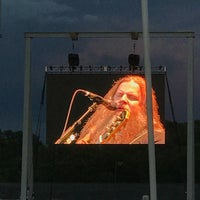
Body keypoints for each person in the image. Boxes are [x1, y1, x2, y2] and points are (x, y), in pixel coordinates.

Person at [75, 75, 165, 144]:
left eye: (131, 97)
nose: (123, 99)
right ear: (111, 99)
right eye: (119, 95)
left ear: (144, 106)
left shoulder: (155, 137)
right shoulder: (94, 132)